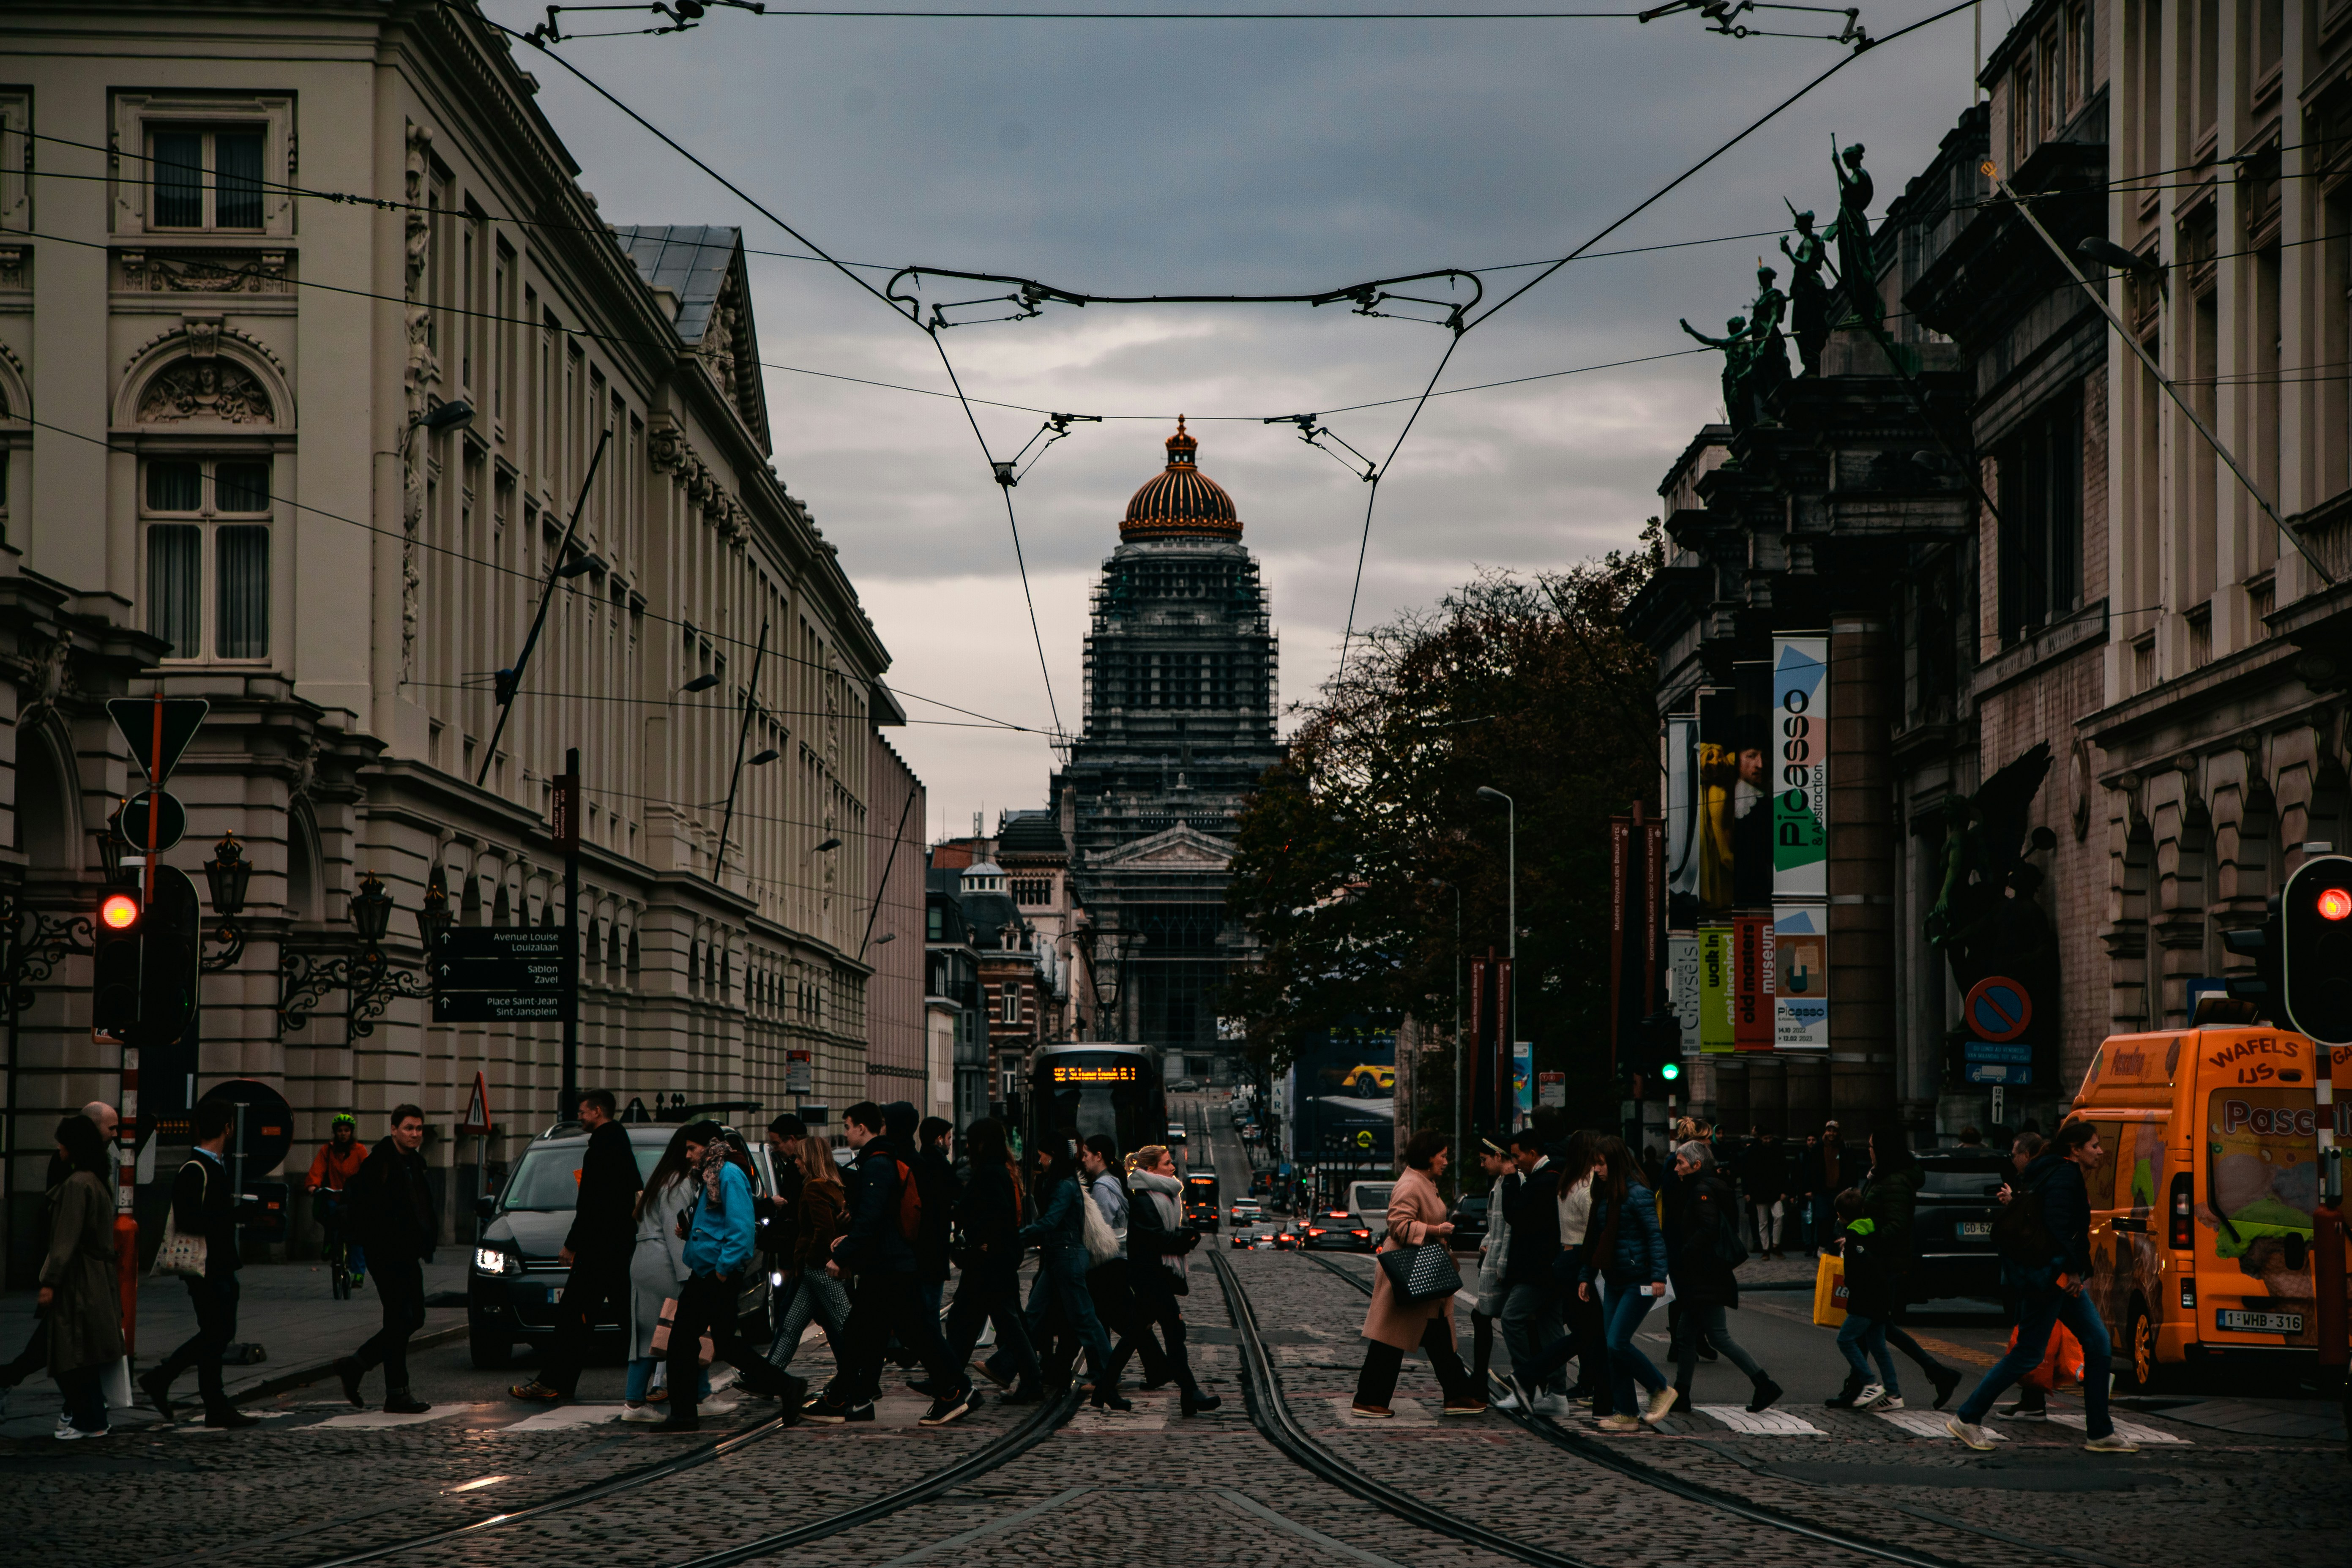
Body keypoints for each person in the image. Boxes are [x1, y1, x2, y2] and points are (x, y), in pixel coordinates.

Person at [1948, 1119, 2138, 1452]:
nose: (2100, 1151)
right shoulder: (2065, 1176)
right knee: (2030, 1353)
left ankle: (2100, 1433)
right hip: (2052, 1279)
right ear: (2075, 1150)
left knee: (2096, 1344)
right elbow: (2060, 1230)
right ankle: (1967, 1417)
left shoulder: (2052, 1171)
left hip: (2050, 1276)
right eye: (2094, 1145)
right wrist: (2074, 1272)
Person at [805, 1103, 972, 1426]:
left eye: (849, 1126)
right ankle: (848, 1397)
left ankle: (956, 1389)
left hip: (889, 1266)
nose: (846, 1132)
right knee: (865, 1332)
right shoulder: (879, 1160)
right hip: (888, 1265)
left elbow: (874, 1220)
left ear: (863, 1129)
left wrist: (842, 1255)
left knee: (914, 1332)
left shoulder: (877, 1164)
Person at [661, 1123, 798, 1432]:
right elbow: (718, 1222)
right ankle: (787, 1386)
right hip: (709, 1269)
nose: (687, 1155)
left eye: (692, 1148)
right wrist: (691, 1232)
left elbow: (742, 1227)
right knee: (722, 1344)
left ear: (708, 1147)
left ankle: (683, 1414)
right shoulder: (710, 1175)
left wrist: (723, 1270)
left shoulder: (727, 1175)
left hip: (715, 1274)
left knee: (684, 1341)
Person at [512, 1089, 643, 1402]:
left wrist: (572, 1245)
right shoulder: (620, 1142)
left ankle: (555, 1381)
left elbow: (591, 1204)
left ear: (597, 1112)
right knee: (626, 1319)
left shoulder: (602, 1146)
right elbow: (634, 1189)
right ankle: (658, 1380)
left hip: (599, 1250)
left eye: (584, 1112)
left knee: (574, 1318)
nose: (580, 1117)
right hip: (619, 1246)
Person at [141, 1097, 257, 1429]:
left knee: (218, 1334)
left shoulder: (214, 1166)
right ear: (227, 1128)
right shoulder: (195, 1169)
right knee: (216, 1333)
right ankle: (164, 1378)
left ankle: (214, 1405)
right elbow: (191, 1220)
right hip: (205, 1267)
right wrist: (235, 1215)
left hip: (218, 1264)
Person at [1351, 1129, 1483, 1418]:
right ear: (1428, 1157)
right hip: (1410, 1270)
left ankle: (1457, 1394)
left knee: (1433, 1334)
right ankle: (1369, 1398)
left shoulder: (1422, 1182)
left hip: (1422, 1270)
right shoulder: (1411, 1185)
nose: (1446, 1162)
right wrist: (1437, 1230)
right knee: (1391, 1338)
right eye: (1442, 1156)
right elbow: (1397, 1225)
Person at [1, 1102, 115, 1406]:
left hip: (79, 1277)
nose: (115, 1134)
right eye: (111, 1127)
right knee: (57, 1344)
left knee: (60, 1346)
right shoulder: (85, 1176)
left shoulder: (86, 1177)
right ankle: (84, 1411)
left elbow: (68, 1232)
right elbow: (64, 1230)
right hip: (80, 1276)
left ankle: (85, 1412)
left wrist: (52, 1279)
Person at [333, 1105, 436, 1415]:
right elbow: (367, 1209)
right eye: (408, 1128)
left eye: (419, 1129)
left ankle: (356, 1366)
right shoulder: (379, 1163)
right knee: (399, 1319)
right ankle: (396, 1393)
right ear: (394, 1130)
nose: (415, 1134)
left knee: (413, 1318)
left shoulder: (415, 1162)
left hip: (408, 1254)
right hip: (386, 1254)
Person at [1664, 1142, 1780, 1414]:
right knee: (1685, 1334)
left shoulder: (1702, 1190)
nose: (1676, 1167)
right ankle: (1682, 1395)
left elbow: (1708, 1229)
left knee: (1718, 1337)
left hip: (1705, 1275)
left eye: (1681, 1163)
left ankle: (1764, 1383)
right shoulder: (1707, 1186)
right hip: (1705, 1274)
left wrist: (1685, 1254)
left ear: (1696, 1166)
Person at [1856, 1124, 1961, 1409]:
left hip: (1885, 1265)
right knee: (1877, 1327)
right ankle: (1936, 1375)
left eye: (1871, 1147)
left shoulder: (1894, 1181)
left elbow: (1896, 1226)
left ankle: (1872, 1386)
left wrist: (1863, 1238)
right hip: (1880, 1263)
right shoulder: (1882, 1177)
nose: (1868, 1152)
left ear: (1883, 1150)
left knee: (1870, 1327)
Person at [1008, 1139, 1119, 1406]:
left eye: (1044, 1156)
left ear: (1055, 1158)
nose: (1040, 1162)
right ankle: (1003, 1366)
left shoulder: (1066, 1186)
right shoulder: (1062, 1183)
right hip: (1058, 1256)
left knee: (1084, 1319)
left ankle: (1108, 1373)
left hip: (1067, 1256)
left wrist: (1017, 1235)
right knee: (1033, 1315)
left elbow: (1051, 1221)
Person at [945, 1117, 1045, 1402]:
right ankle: (948, 1378)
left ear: (980, 1143)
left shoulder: (988, 1173)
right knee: (968, 1320)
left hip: (989, 1261)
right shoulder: (1004, 1170)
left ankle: (1031, 1380)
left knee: (999, 1323)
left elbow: (991, 1213)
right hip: (998, 1259)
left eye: (970, 1141)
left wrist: (983, 1240)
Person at [1580, 1136, 1675, 1431]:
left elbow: (1654, 1237)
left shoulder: (1637, 1194)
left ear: (1615, 1162)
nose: (1596, 1170)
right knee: (1612, 1349)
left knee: (1617, 1343)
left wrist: (1658, 1276)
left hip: (1639, 1280)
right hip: (1613, 1280)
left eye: (1601, 1164)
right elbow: (1593, 1240)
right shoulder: (1604, 1194)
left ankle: (1659, 1388)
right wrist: (1586, 1275)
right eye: (1595, 1164)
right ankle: (1627, 1413)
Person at [1118, 1143, 1219, 1415]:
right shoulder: (1144, 1197)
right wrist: (1185, 1239)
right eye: (1166, 1163)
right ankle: (1190, 1393)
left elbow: (1162, 1234)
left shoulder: (1165, 1195)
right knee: (1165, 1334)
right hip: (1151, 1276)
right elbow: (1156, 1238)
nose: (1173, 1168)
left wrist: (1182, 1235)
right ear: (1151, 1170)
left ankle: (1189, 1395)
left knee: (1154, 1335)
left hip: (1157, 1275)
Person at [41, 1114, 123, 1439]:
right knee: (85, 1355)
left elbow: (66, 1239)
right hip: (97, 1277)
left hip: (80, 1279)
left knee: (70, 1354)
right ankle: (91, 1418)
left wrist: (50, 1282)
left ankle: (86, 1418)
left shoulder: (78, 1185)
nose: (59, 1148)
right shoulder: (96, 1181)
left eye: (62, 1142)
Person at [622, 1125, 700, 1421]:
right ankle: (699, 1394)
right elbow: (675, 1230)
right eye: (693, 1148)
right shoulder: (678, 1183)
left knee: (647, 1335)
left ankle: (634, 1400)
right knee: (686, 1329)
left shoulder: (661, 1179)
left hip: (644, 1259)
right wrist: (688, 1273)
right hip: (663, 1261)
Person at [765, 1134, 852, 1382]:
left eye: (799, 1158)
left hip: (818, 1267)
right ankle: (769, 1377)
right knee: (791, 1324)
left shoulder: (814, 1186)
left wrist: (810, 1260)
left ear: (810, 1159)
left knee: (845, 1324)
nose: (795, 1162)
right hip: (815, 1267)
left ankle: (859, 1376)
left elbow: (823, 1230)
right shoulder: (832, 1185)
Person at [1496, 1126, 1567, 1411]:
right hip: (1551, 1269)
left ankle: (1525, 1385)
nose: (1515, 1162)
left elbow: (1515, 1215)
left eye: (1517, 1157)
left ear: (1533, 1154)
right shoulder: (1548, 1178)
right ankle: (1558, 1394)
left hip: (1537, 1271)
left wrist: (1510, 1180)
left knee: (1512, 1318)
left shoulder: (1543, 1182)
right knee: (1551, 1328)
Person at [1827, 1186, 1904, 1409]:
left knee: (1845, 1339)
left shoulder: (1852, 1242)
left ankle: (1871, 1383)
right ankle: (1894, 1394)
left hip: (1864, 1302)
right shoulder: (1873, 1230)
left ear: (1840, 1216)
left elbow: (1855, 1276)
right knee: (1878, 1345)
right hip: (1882, 1298)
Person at [1467, 1138, 1514, 1391]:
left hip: (1501, 1268)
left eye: (1485, 1159)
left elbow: (1510, 1229)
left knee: (1510, 1321)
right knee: (1484, 1317)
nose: (1482, 1165)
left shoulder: (1512, 1183)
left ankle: (1482, 1380)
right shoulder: (1499, 1183)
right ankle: (1481, 1377)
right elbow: (1495, 1227)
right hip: (1496, 1260)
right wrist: (1486, 1241)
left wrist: (1502, 1267)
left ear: (1498, 1156)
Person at [306, 1112, 370, 1287]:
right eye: (340, 1131)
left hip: (353, 1198)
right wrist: (313, 1184)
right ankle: (329, 1243)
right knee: (330, 1213)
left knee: (356, 1235)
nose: (343, 1134)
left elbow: (368, 1171)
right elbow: (318, 1169)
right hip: (334, 1193)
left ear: (351, 1133)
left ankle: (358, 1273)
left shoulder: (360, 1150)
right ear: (336, 1133)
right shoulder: (328, 1150)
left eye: (347, 1131)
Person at [912, 1116, 960, 1325]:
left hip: (923, 1245)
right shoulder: (940, 1166)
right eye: (949, 1138)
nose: (951, 1143)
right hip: (934, 1245)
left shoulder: (920, 1161)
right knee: (931, 1304)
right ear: (939, 1139)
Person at [1739, 1127, 1788, 1258]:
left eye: (1770, 1138)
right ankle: (1766, 1248)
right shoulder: (1754, 1151)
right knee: (1763, 1222)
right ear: (1761, 1138)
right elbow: (1747, 1172)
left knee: (1779, 1216)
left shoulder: (1776, 1149)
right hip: (1760, 1191)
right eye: (1766, 1139)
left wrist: (1784, 1190)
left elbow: (1783, 1170)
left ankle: (1775, 1245)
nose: (1768, 1141)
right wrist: (1747, 1192)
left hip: (1773, 1190)